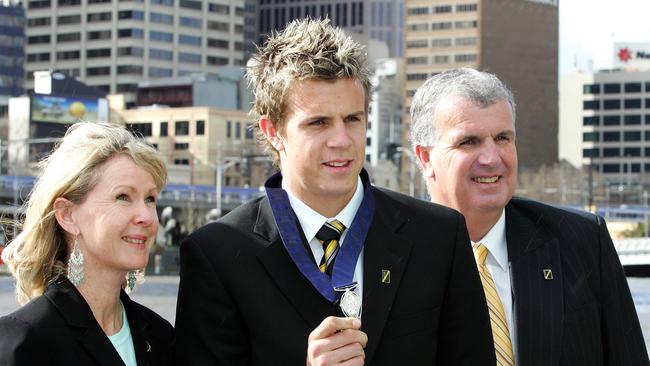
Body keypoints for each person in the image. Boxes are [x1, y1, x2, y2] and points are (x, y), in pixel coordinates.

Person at [174, 18, 494, 366]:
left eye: (353, 119)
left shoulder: (440, 236)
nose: (341, 140)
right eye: (318, 122)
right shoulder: (217, 255)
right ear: (273, 131)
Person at [411, 68, 649, 366]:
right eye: (469, 142)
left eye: (502, 138)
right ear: (425, 157)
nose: (491, 158)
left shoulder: (583, 242)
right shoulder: (386, 257)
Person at [0, 122, 173, 365]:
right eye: (123, 197)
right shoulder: (24, 343)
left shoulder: (161, 336)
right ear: (67, 215)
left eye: (150, 199)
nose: (145, 216)